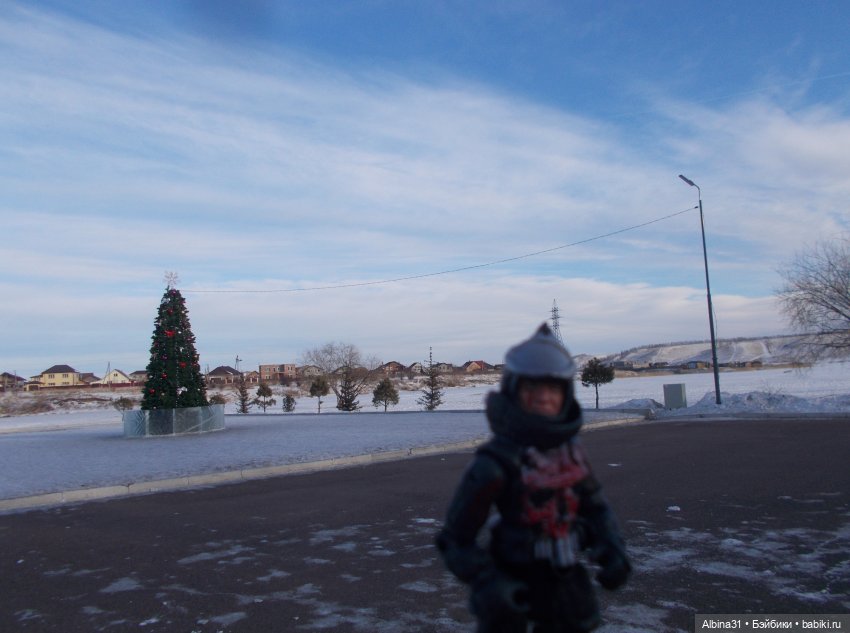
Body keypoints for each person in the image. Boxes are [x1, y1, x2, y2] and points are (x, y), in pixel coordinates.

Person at [436, 323, 630, 633]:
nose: (542, 398)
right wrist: (488, 581)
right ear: (515, 392)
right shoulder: (497, 461)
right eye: (532, 389)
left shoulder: (571, 455)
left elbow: (595, 506)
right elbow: (455, 539)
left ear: (564, 395)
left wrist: (611, 546)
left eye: (551, 390)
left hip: (565, 583)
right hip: (512, 583)